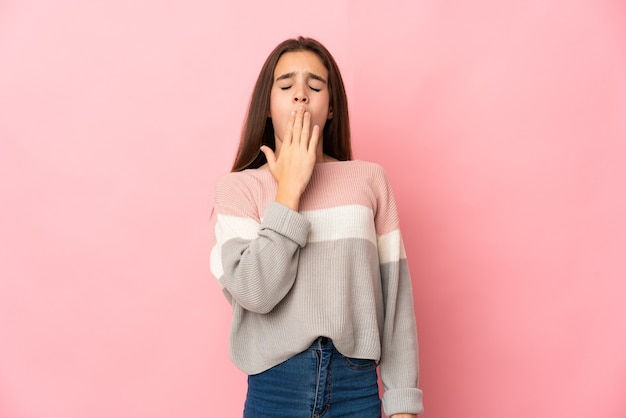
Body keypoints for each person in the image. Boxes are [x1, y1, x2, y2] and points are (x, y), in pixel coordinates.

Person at [210, 36, 423, 418]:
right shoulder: (238, 188)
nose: (300, 96)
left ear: (331, 109)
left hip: (356, 389)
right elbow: (255, 293)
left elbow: (395, 301)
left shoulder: (368, 180)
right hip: (275, 389)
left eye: (315, 86)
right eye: (287, 86)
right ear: (268, 107)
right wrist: (289, 190)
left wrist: (403, 403)